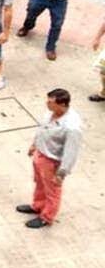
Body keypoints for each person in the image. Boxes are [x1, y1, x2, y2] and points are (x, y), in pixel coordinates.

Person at [17, 88, 82, 228]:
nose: (47, 104)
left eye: (51, 102)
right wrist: (34, 144)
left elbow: (71, 151)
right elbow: (42, 129)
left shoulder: (72, 126)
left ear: (62, 104)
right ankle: (38, 205)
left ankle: (47, 217)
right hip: (41, 153)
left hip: (52, 161)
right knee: (39, 182)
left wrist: (62, 173)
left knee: (52, 190)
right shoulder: (50, 113)